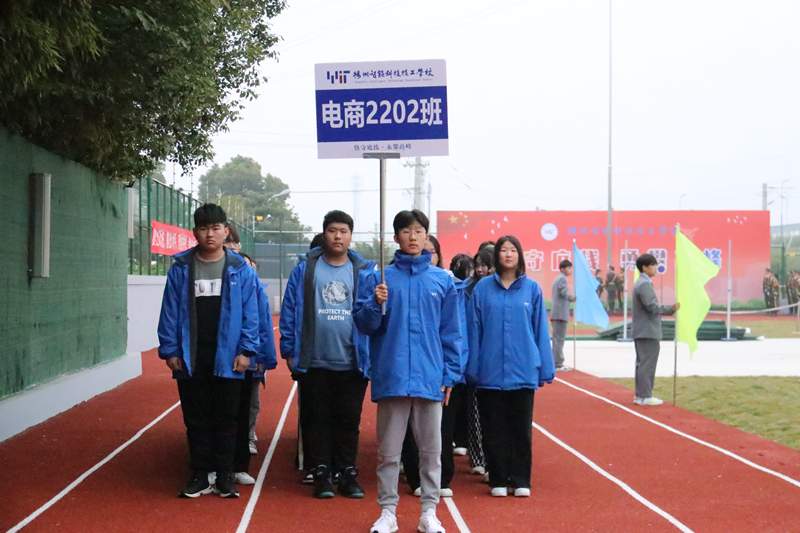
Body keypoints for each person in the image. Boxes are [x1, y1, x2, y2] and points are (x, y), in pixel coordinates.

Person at [354, 209, 461, 533]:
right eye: (405, 231)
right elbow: (364, 324)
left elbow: (451, 332)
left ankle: (429, 512)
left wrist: (450, 374)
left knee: (432, 451)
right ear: (396, 237)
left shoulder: (442, 280)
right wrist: (374, 304)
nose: (412, 237)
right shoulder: (379, 279)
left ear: (426, 237)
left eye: (418, 231)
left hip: (430, 377)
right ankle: (388, 512)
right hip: (393, 374)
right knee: (389, 452)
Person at [157, 203, 260, 499]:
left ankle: (225, 476)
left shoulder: (241, 270)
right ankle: (200, 474)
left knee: (227, 418)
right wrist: (170, 350)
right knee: (196, 418)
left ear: (225, 232)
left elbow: (251, 314)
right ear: (195, 232)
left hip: (229, 357)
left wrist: (247, 351)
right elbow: (170, 311)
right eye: (204, 228)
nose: (210, 234)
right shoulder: (181, 269)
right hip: (191, 356)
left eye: (216, 228)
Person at [279, 210, 374, 499]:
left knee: (349, 422)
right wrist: (289, 348)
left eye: (343, 231)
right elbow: (290, 309)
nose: (337, 236)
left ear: (350, 236)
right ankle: (320, 474)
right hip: (314, 360)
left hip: (352, 361)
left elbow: (371, 315)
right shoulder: (305, 269)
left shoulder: (363, 271)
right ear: (324, 234)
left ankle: (346, 474)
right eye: (332, 230)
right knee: (316, 420)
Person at [466, 235, 554, 498]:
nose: (507, 254)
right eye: (503, 250)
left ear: (520, 255)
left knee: (520, 429)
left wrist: (544, 368)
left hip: (523, 370)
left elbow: (540, 330)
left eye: (513, 250)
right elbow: (474, 330)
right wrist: (472, 368)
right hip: (489, 371)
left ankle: (520, 478)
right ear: (496, 256)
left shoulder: (532, 289)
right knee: (493, 429)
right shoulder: (483, 289)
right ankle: (498, 479)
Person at [401, 236, 469, 498]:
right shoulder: (399, 280)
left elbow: (455, 331)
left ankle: (442, 478)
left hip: (440, 369)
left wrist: (453, 370)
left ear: (439, 256)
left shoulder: (449, 285)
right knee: (410, 428)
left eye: (432, 252)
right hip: (409, 368)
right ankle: (415, 476)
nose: (427, 256)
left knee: (443, 428)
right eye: (423, 251)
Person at [230, 253, 277, 485]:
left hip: (248, 358)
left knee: (249, 404)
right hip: (225, 358)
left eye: (251, 266)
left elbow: (263, 325)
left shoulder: (257, 292)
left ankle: (245, 443)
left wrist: (262, 356)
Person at [631, 253, 680, 406]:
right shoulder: (644, 284)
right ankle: (645, 396)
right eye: (653, 265)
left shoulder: (641, 282)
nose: (656, 267)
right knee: (647, 364)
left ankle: (640, 395)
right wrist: (671, 308)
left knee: (642, 364)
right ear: (645, 267)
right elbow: (652, 307)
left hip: (643, 330)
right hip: (647, 330)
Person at [462, 248, 493, 478]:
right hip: (473, 357)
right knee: (474, 413)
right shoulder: (467, 289)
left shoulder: (497, 289)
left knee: (494, 416)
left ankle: (494, 461)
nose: (481, 269)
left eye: (485, 265)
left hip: (493, 359)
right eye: (478, 265)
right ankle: (478, 457)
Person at [550, 259, 576, 372]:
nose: (570, 270)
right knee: (559, 339)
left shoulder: (558, 278)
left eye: (571, 268)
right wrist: (571, 297)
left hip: (557, 313)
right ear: (562, 269)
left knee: (557, 339)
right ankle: (558, 363)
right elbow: (564, 290)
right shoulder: (561, 279)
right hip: (560, 313)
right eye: (568, 268)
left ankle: (555, 362)